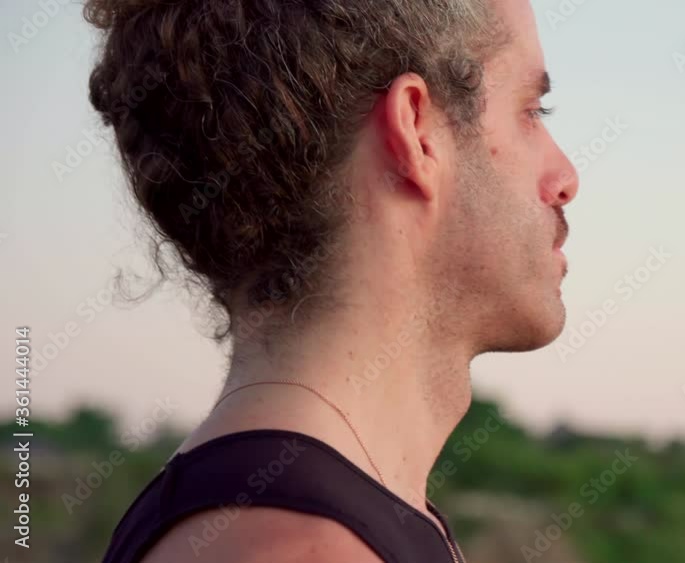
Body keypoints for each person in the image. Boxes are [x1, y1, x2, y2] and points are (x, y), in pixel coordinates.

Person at [88, 0, 579, 560]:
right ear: (417, 132)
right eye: (533, 110)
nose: (566, 177)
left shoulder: (295, 514)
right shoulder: (303, 548)